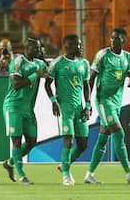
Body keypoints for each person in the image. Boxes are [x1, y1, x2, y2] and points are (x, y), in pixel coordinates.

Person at [83, 28, 130, 184]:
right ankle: (129, 173)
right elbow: (91, 79)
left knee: (103, 137)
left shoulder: (127, 57)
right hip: (104, 100)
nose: (112, 40)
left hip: (117, 102)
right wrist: (88, 103)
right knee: (119, 133)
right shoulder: (102, 55)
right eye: (112, 37)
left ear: (124, 40)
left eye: (116, 38)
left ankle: (89, 174)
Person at [45, 34, 91, 186]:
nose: (80, 47)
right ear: (68, 46)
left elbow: (86, 86)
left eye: (80, 44)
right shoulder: (57, 63)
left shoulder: (84, 63)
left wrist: (88, 106)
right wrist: (53, 101)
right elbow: (47, 84)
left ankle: (64, 164)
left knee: (83, 145)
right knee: (68, 139)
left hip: (79, 108)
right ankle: (66, 174)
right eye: (77, 45)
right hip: (65, 108)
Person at [2, 38, 47, 185]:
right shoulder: (18, 61)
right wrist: (35, 75)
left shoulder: (40, 63)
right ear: (26, 48)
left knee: (31, 142)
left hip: (28, 109)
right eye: (35, 48)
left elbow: (49, 74)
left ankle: (9, 163)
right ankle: (21, 176)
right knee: (16, 141)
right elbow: (16, 84)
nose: (37, 50)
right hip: (13, 106)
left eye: (39, 48)